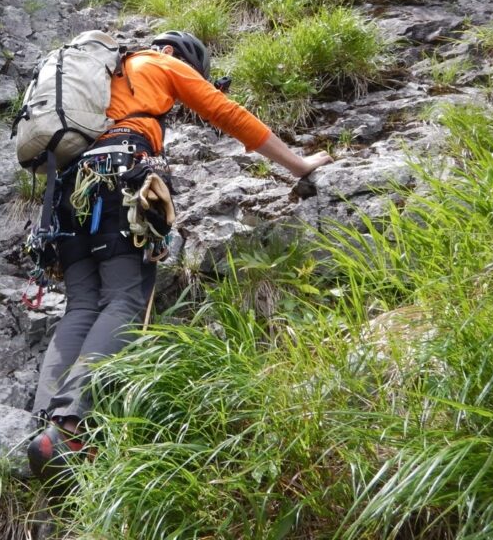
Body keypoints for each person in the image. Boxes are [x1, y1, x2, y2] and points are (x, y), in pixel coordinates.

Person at [27, 30, 332, 479]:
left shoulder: (98, 80)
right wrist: (301, 165)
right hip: (118, 176)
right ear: (173, 53)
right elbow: (227, 113)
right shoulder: (161, 63)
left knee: (82, 306)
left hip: (63, 193)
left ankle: (41, 434)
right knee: (126, 298)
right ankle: (70, 428)